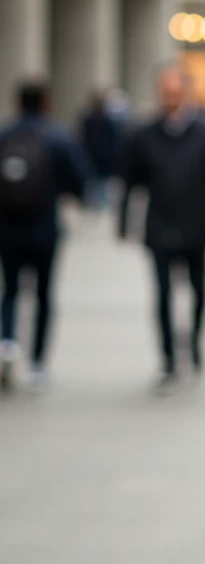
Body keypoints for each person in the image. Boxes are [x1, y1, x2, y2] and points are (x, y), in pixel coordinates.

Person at [119, 67, 205, 392]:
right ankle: (168, 359)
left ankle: (194, 343)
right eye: (165, 92)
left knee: (199, 291)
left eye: (175, 92)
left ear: (186, 93)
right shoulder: (144, 134)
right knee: (164, 293)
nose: (170, 98)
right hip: (159, 224)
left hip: (197, 223)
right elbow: (130, 181)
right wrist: (124, 221)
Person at [0, 80, 88, 391]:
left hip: (7, 229)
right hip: (44, 229)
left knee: (10, 289)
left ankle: (7, 339)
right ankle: (37, 362)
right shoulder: (57, 138)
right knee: (42, 295)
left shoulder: (5, 135)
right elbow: (79, 181)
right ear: (46, 103)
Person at [78, 88, 123, 209]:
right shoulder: (104, 120)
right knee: (97, 186)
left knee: (97, 186)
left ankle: (96, 206)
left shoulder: (93, 119)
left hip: (96, 158)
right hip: (98, 158)